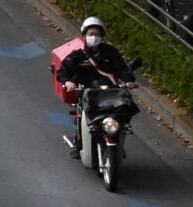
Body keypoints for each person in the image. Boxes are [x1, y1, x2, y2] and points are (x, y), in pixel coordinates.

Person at [55, 16, 135, 154]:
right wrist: (67, 81)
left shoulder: (111, 52)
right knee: (81, 116)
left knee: (126, 108)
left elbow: (122, 68)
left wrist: (128, 80)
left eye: (97, 34)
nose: (94, 37)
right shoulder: (78, 55)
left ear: (102, 35)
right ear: (85, 35)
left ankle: (119, 134)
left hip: (109, 91)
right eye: (91, 34)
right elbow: (63, 70)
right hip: (86, 92)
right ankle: (79, 143)